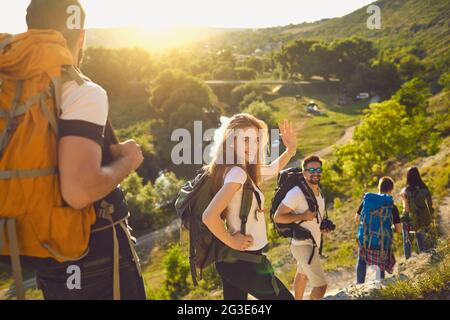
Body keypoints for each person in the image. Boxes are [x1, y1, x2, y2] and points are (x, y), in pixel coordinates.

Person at [1, 0, 146, 300]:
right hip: (96, 254)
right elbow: (79, 191)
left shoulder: (10, 87)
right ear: (80, 36)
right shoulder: (81, 90)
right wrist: (127, 162)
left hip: (41, 251)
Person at [202, 114, 296, 300]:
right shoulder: (236, 173)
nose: (252, 146)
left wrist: (290, 150)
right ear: (231, 140)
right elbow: (209, 216)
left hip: (234, 260)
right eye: (246, 139)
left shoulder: (237, 168)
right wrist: (231, 240)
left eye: (256, 140)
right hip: (242, 261)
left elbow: (272, 169)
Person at [274, 156, 328, 300]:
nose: (315, 172)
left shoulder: (318, 191)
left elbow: (314, 217)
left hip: (312, 242)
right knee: (321, 286)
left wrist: (322, 227)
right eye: (311, 170)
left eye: (318, 169)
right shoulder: (296, 193)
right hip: (302, 244)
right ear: (304, 173)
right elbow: (278, 217)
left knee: (302, 275)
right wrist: (303, 216)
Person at [355, 176, 402, 284]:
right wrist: (389, 228)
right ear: (391, 190)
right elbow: (399, 229)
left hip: (366, 239)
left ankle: (359, 285)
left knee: (362, 260)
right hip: (382, 242)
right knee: (380, 264)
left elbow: (357, 219)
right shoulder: (392, 207)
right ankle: (379, 286)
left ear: (378, 187)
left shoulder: (366, 202)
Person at [401, 167, 434, 259]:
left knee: (407, 239)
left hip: (411, 219)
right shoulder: (425, 189)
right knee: (421, 237)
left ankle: (407, 259)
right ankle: (424, 257)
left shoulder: (405, 191)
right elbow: (430, 206)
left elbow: (406, 209)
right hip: (423, 219)